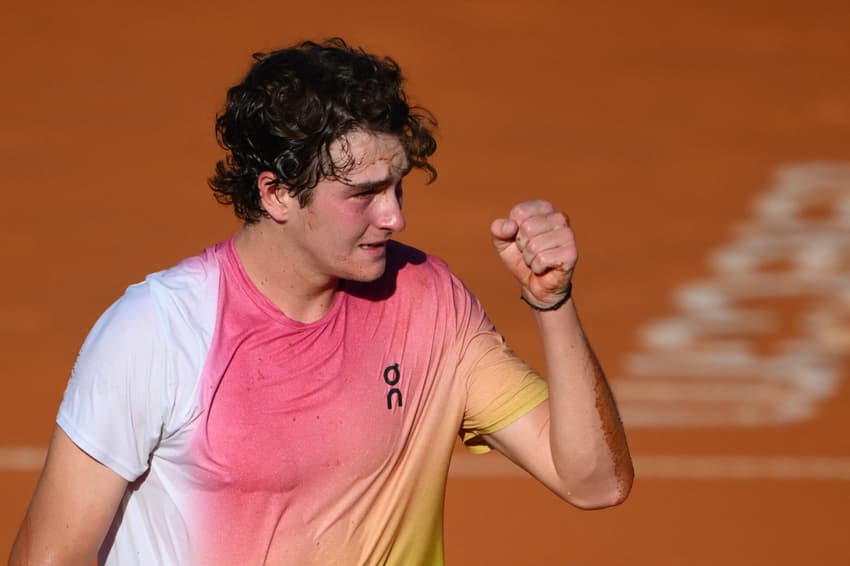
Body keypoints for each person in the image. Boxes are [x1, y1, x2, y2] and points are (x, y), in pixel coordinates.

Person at [9, 38, 633, 566]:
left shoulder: (426, 303)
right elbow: (49, 557)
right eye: (363, 194)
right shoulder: (158, 332)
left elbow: (596, 482)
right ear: (278, 194)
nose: (395, 216)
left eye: (398, 186)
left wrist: (552, 302)